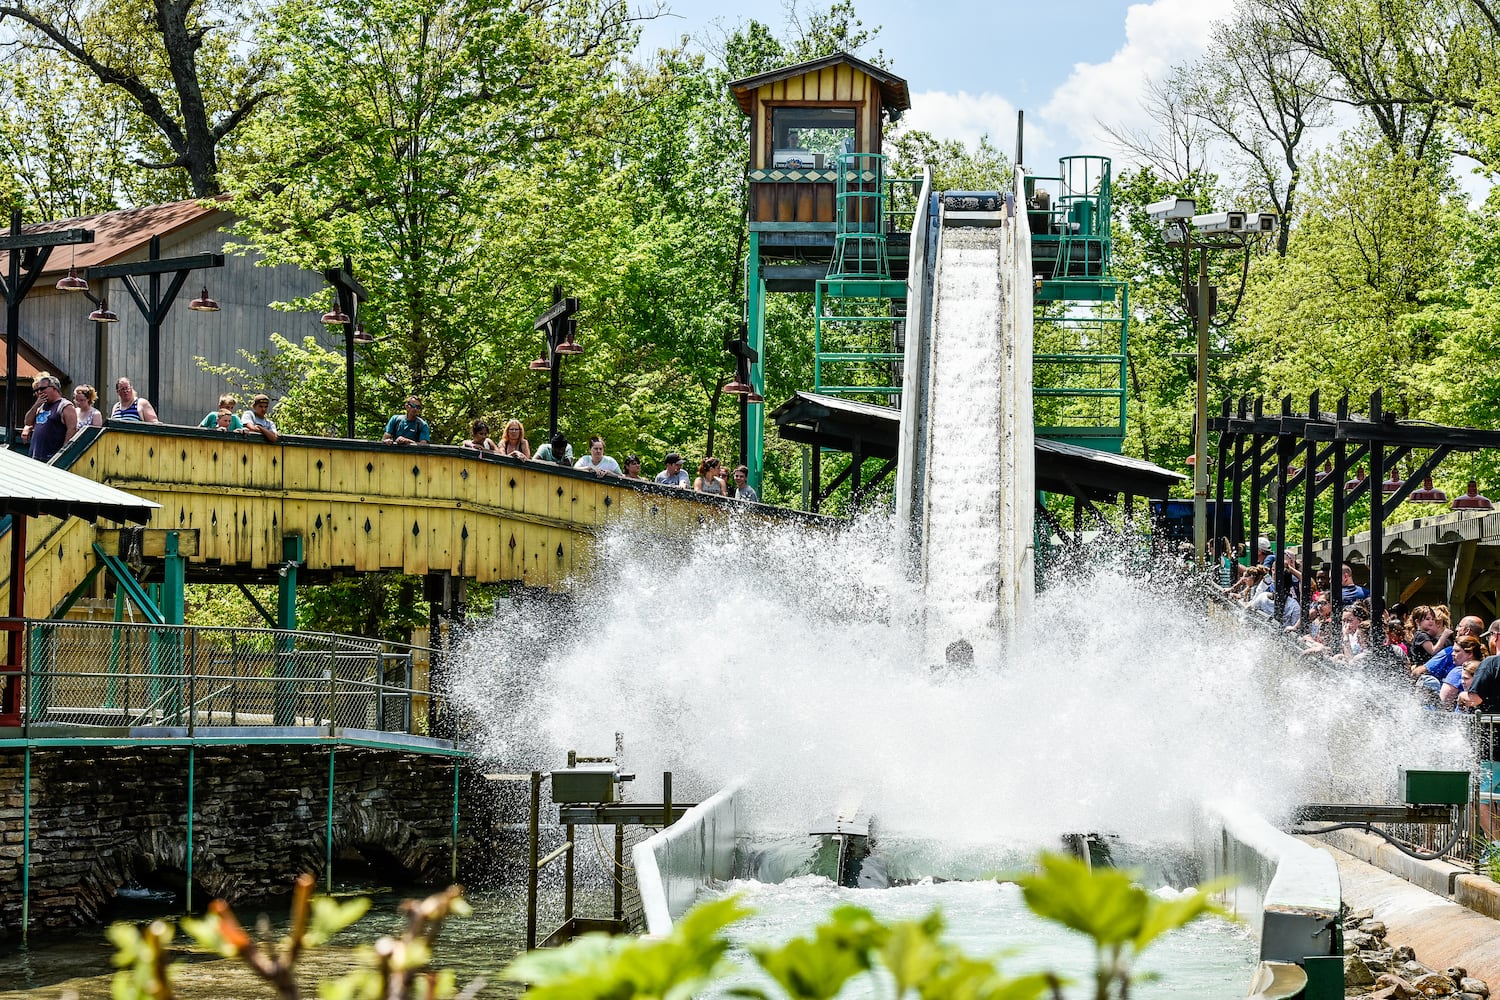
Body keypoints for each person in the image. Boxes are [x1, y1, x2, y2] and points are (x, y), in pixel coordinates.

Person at [27, 374, 77, 462]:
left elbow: (72, 430)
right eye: (38, 390)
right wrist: (36, 405)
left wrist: (62, 454)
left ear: (54, 388)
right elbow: (28, 422)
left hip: (51, 458)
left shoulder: (65, 406)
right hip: (35, 455)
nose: (39, 392)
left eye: (42, 389)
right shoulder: (41, 406)